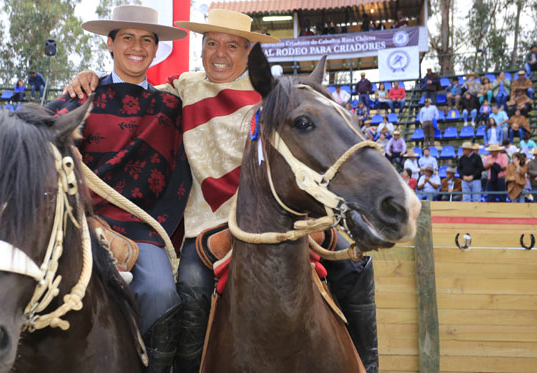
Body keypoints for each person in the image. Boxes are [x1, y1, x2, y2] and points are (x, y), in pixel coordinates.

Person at [65, 8, 381, 372]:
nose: (220, 53)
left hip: (275, 221)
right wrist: (89, 77)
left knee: (356, 266)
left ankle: (369, 365)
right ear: (201, 48)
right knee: (190, 289)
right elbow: (132, 86)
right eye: (212, 43)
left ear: (248, 53)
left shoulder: (273, 96)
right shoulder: (183, 87)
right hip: (206, 227)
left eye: (232, 46)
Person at [47, 6, 192, 371]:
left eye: (147, 40)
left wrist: (157, 226)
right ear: (110, 43)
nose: (137, 47)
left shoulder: (172, 105)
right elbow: (37, 129)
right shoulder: (81, 97)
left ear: (157, 49)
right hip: (83, 222)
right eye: (127, 37)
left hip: (143, 226)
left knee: (161, 293)